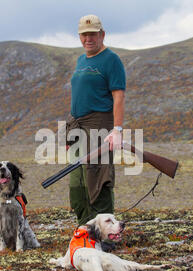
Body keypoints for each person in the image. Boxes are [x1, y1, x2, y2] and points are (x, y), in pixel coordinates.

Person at [66, 14, 126, 232]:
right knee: (77, 187)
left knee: (98, 183)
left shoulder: (111, 60)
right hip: (77, 129)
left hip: (99, 128)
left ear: (102, 34)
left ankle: (108, 238)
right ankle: (85, 233)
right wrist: (70, 136)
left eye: (92, 34)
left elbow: (118, 96)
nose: (88, 38)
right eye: (84, 34)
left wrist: (117, 130)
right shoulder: (81, 60)